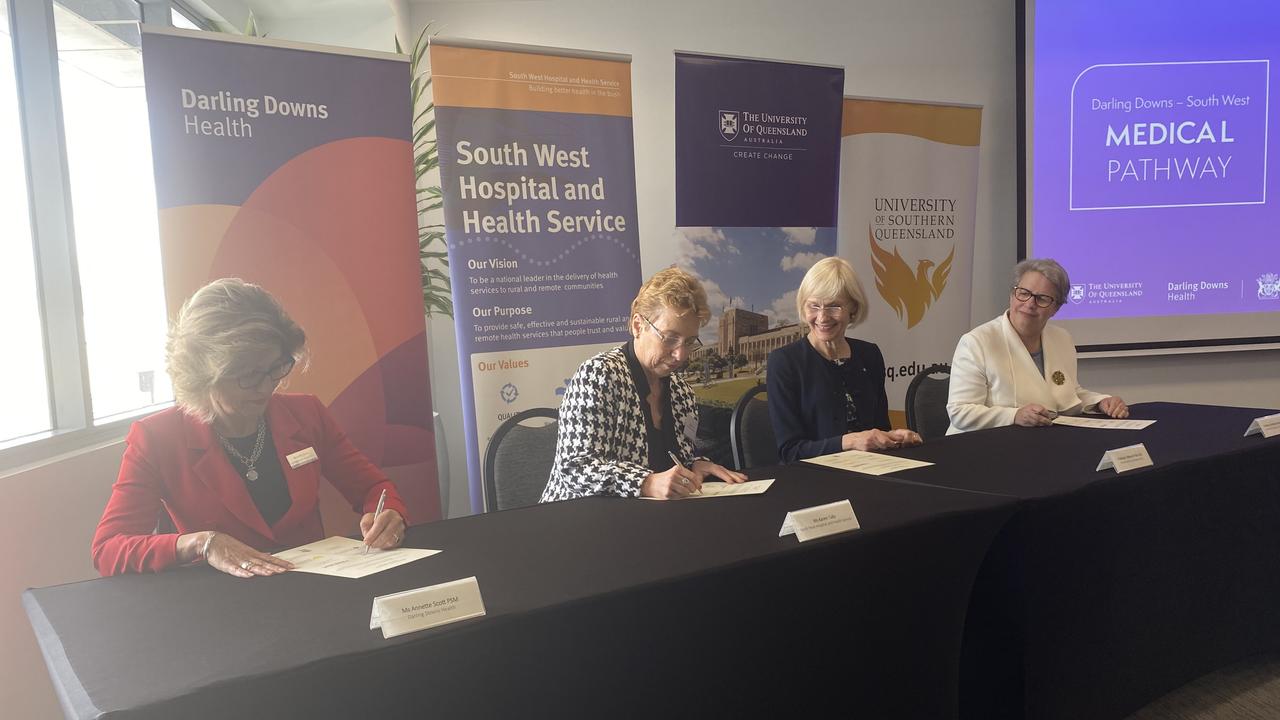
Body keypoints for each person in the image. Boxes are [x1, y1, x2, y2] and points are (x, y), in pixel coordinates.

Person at [91, 278, 407, 577]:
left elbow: (372, 488)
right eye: (249, 375)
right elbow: (109, 549)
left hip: (310, 591)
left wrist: (389, 513)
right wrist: (201, 543)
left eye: (275, 368)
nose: (266, 387)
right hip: (222, 605)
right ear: (203, 374)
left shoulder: (305, 414)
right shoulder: (157, 439)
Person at [541, 267, 747, 501]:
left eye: (689, 342)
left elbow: (672, 458)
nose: (680, 355)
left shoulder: (682, 391)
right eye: (670, 338)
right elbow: (574, 468)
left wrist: (694, 465)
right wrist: (645, 483)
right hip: (578, 519)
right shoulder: (598, 375)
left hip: (646, 520)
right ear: (638, 326)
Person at [946, 258, 1128, 434]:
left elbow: (1068, 394)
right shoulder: (976, 342)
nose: (1030, 304)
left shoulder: (1061, 338)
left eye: (1042, 298)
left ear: (1056, 308)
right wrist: (1014, 415)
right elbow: (960, 412)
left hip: (1042, 441)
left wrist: (1100, 402)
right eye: (1024, 293)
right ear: (1012, 295)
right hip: (983, 446)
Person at [767, 257, 921, 463]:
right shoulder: (784, 362)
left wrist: (894, 438)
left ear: (853, 309)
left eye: (834, 306)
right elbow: (790, 452)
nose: (822, 317)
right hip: (813, 480)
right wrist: (851, 442)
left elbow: (880, 428)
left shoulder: (870, 355)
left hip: (873, 471)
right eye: (813, 306)